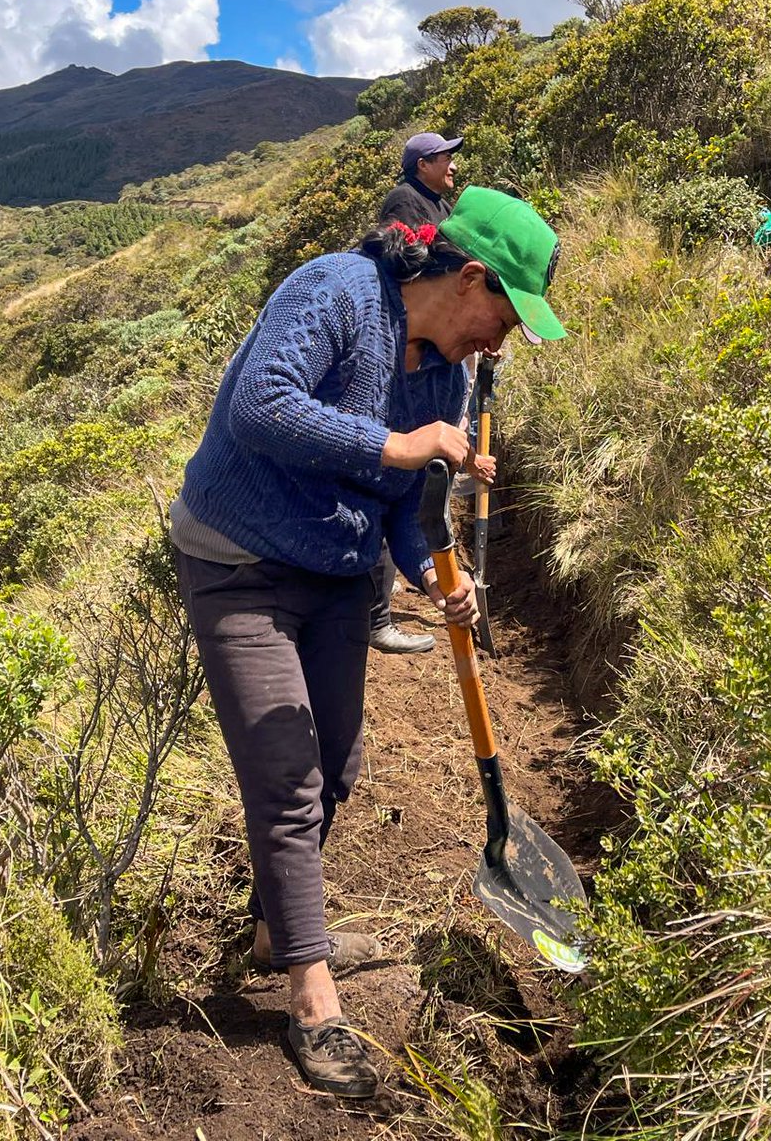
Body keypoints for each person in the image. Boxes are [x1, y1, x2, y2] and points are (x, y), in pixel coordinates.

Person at [169, 186, 565, 1099]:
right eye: (503, 321)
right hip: (239, 561)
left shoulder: (450, 377)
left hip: (340, 572)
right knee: (286, 772)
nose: (497, 346)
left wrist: (434, 581)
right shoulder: (334, 292)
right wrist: (405, 442)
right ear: (470, 278)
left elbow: (400, 508)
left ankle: (278, 930)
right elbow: (261, 408)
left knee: (338, 767)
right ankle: (313, 998)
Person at [368, 131, 467, 655]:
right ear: (424, 163)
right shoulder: (405, 203)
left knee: (405, 493)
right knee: (382, 485)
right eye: (446, 157)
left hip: (430, 354)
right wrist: (398, 448)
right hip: (408, 358)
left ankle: (381, 604)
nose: (453, 164)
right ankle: (375, 614)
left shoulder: (437, 201)